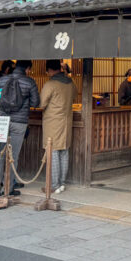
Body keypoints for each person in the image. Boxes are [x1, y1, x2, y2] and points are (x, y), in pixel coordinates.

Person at [0, 59, 39, 196]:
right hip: (19, 122)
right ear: (27, 69)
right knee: (13, 156)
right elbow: (36, 102)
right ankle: (8, 188)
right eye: (29, 69)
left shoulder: (2, 81)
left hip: (1, 121)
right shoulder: (30, 82)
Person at [40, 59, 77, 194]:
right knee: (64, 151)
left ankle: (54, 185)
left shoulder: (50, 84)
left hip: (53, 122)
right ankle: (61, 183)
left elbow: (42, 103)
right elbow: (75, 95)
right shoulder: (70, 83)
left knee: (53, 151)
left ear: (50, 70)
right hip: (67, 121)